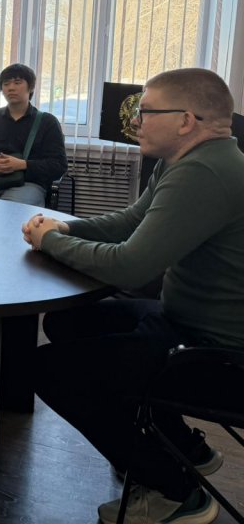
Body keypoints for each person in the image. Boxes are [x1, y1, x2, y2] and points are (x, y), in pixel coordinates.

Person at [25, 68, 244, 524]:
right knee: (68, 322)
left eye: (145, 112)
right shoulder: (188, 160)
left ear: (185, 120)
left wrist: (52, 242)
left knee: (49, 371)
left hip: (220, 354)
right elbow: (131, 221)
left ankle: (176, 491)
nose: (135, 122)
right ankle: (185, 449)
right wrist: (65, 228)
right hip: (185, 319)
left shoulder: (204, 172)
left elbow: (131, 266)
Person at [0, 63, 67, 206]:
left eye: (17, 83)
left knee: (10, 211)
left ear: (31, 87)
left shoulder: (47, 122)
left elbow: (58, 166)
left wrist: (22, 165)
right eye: (6, 84)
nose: (11, 88)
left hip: (27, 184)